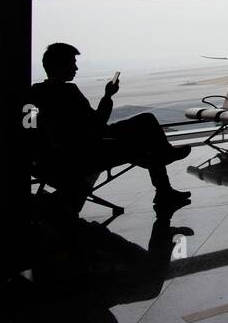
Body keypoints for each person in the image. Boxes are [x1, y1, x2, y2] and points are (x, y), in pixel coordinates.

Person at [29, 43, 192, 212]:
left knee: (147, 127)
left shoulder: (35, 93)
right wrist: (108, 96)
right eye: (72, 62)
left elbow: (32, 128)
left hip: (69, 150)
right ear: (60, 65)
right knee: (147, 130)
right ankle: (164, 172)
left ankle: (164, 171)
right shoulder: (67, 92)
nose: (76, 67)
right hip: (88, 148)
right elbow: (97, 122)